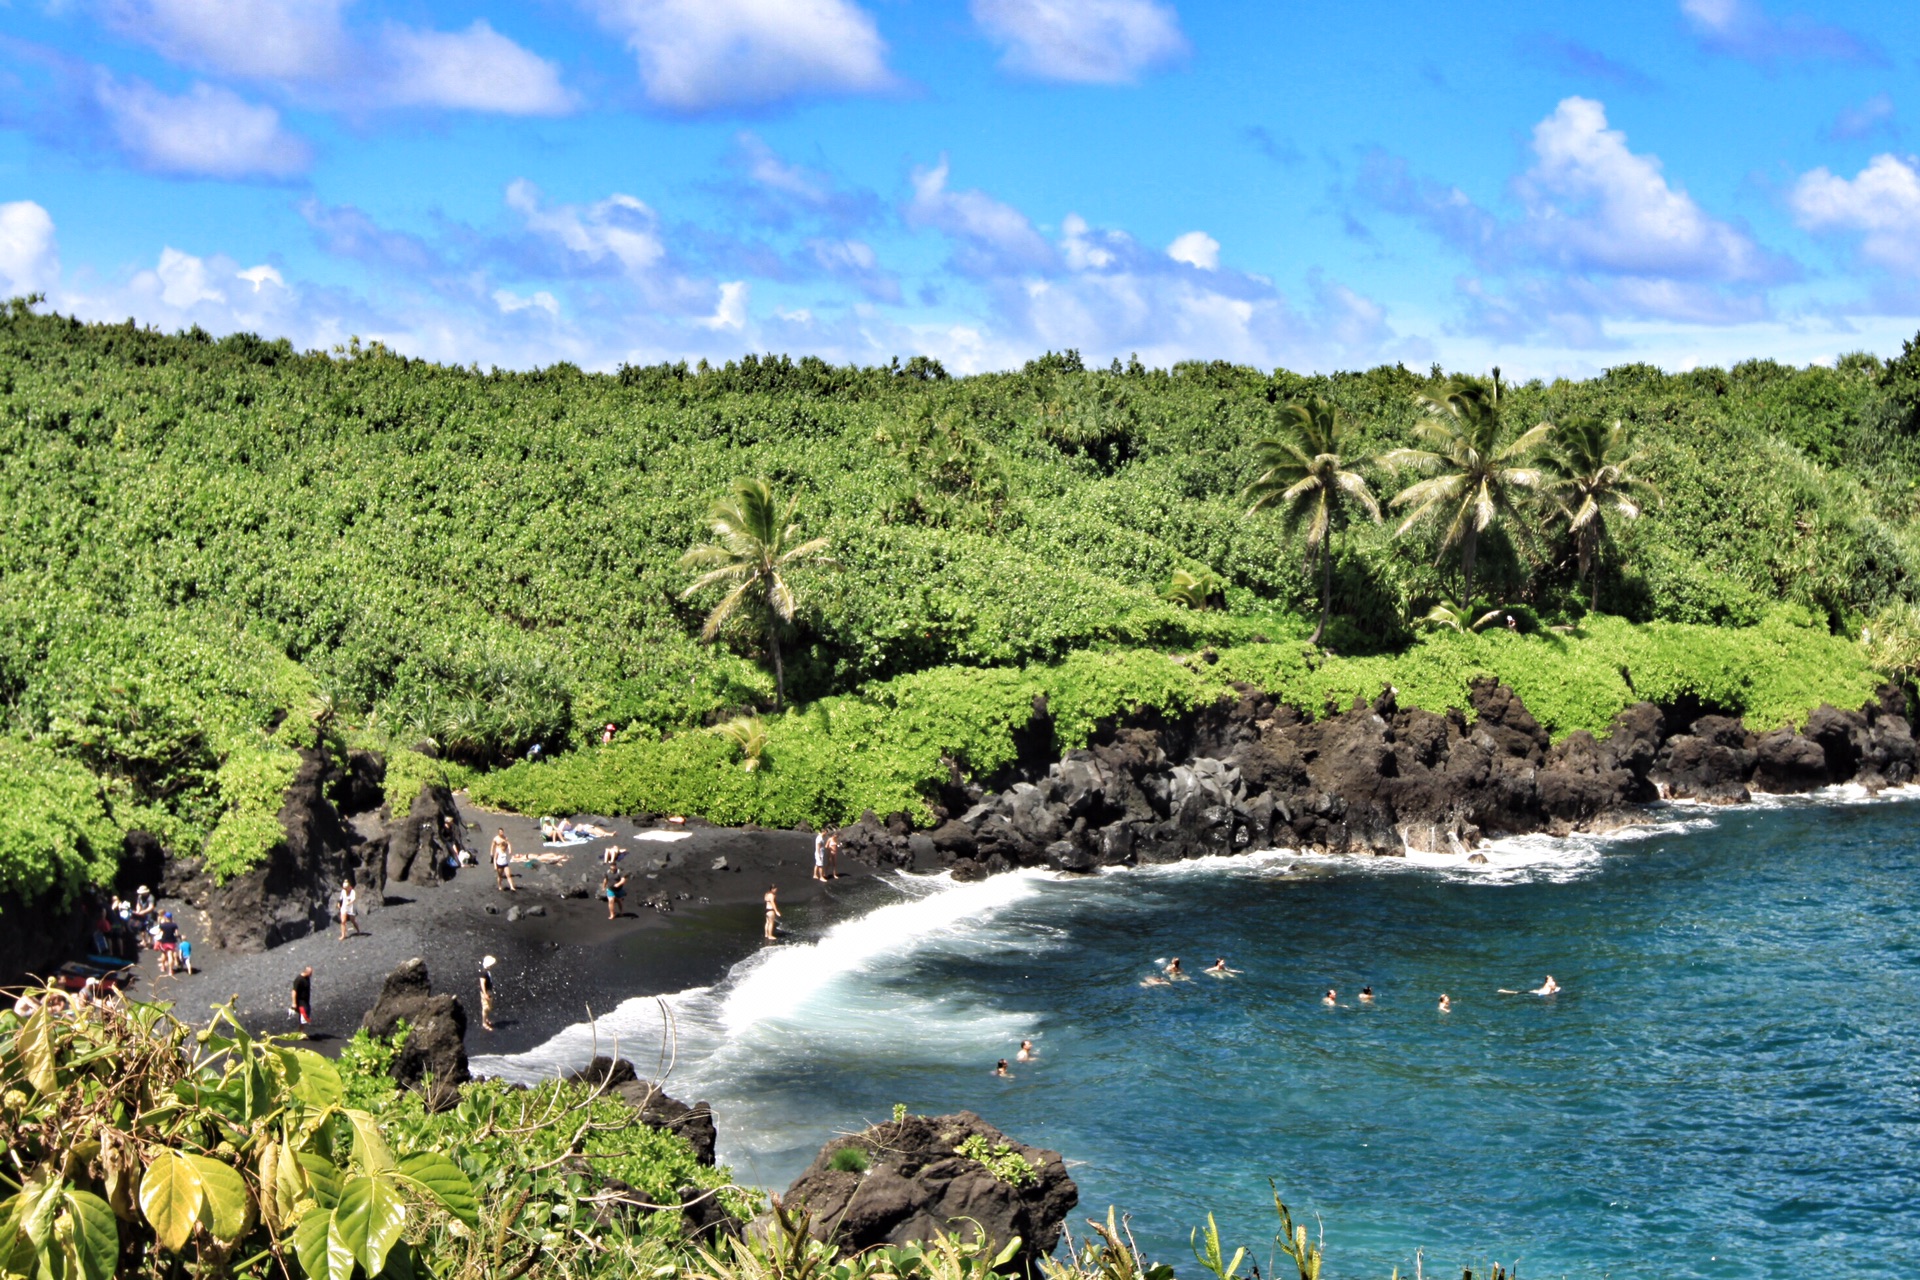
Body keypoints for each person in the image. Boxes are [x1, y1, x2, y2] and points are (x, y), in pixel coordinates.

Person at [479, 956, 497, 1032]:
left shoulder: (487, 971)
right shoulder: (484, 972)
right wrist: (485, 993)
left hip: (488, 991)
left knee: (488, 1007)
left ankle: (486, 1019)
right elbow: (482, 983)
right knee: (485, 1008)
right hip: (486, 992)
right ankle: (484, 1023)